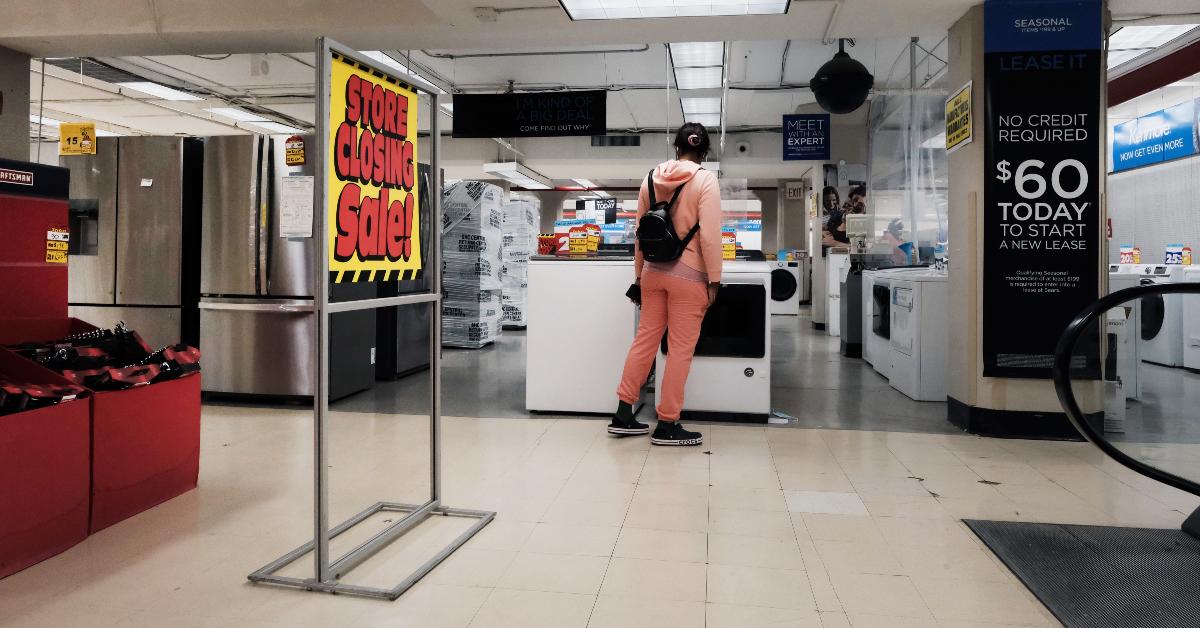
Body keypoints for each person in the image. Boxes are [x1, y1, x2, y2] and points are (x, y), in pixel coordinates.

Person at [608, 122, 722, 446]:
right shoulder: (706, 180)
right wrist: (715, 280)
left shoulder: (649, 180)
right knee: (679, 350)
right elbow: (711, 237)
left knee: (644, 341)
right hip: (689, 275)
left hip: (654, 274)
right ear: (704, 151)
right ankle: (668, 424)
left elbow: (640, 236)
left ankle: (622, 414)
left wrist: (639, 276)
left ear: (676, 147)